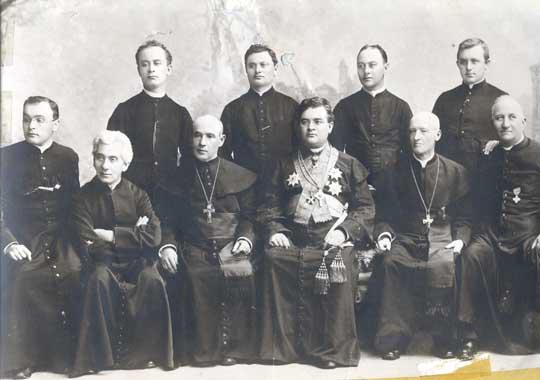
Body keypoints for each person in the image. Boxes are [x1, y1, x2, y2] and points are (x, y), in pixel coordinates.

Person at [259, 97, 375, 368]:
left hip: (331, 240)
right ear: (298, 126)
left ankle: (332, 351)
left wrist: (345, 233)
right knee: (273, 259)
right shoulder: (283, 164)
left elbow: (365, 209)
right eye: (305, 122)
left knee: (340, 264)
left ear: (330, 126)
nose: (311, 127)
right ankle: (284, 348)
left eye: (318, 121)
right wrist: (276, 230)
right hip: (294, 240)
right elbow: (268, 206)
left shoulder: (349, 164)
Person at [368, 112, 473, 360]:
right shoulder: (393, 173)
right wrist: (384, 235)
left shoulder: (456, 172)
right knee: (391, 263)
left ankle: (444, 339)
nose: (416, 137)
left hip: (443, 237)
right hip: (406, 237)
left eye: (423, 131)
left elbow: (465, 217)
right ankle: (393, 339)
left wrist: (460, 238)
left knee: (448, 263)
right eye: (412, 131)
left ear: (437, 135)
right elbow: (384, 216)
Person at [155, 115, 257, 366]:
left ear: (221, 140)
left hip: (231, 244)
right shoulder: (176, 177)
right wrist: (167, 246)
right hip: (193, 245)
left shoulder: (241, 176)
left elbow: (250, 217)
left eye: (210, 136)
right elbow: (166, 221)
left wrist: (245, 238)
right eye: (197, 135)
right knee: (194, 274)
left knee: (241, 272)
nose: (202, 142)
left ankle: (235, 349)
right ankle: (201, 352)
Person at [70, 131, 173, 377]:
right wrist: (132, 235)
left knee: (152, 278)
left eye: (113, 159)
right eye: (100, 158)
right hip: (100, 262)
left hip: (137, 262)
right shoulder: (82, 197)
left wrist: (111, 234)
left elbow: (154, 237)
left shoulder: (139, 195)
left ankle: (146, 354)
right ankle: (102, 358)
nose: (105, 166)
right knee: (99, 280)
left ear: (125, 163)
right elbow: (87, 241)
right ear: (93, 159)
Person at [0, 96, 81, 378]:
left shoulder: (68, 157)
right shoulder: (6, 157)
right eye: (26, 118)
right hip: (23, 239)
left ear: (55, 125)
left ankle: (63, 358)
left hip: (61, 239)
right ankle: (22, 360)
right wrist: (8, 243)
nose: (30, 125)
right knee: (24, 277)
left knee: (74, 271)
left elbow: (75, 207)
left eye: (39, 119)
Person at [456, 95, 540, 360]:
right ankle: (468, 336)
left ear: (523, 121)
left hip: (528, 235)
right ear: (492, 122)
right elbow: (476, 198)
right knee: (472, 256)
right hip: (493, 234)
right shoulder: (487, 154)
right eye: (499, 118)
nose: (505, 123)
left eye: (511, 117)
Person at [107, 40, 193, 199]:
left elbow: (189, 158)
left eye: (157, 63)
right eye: (145, 64)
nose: (151, 69)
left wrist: (179, 186)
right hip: (131, 194)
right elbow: (110, 155)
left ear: (168, 69)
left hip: (171, 196)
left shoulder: (180, 113)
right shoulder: (124, 110)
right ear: (139, 70)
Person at [331, 44, 412, 188]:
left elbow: (410, 153)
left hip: (394, 189)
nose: (366, 71)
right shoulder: (345, 107)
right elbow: (333, 153)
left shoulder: (401, 107)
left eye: (372, 65)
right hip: (354, 185)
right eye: (361, 66)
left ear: (385, 67)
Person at [220, 44, 298, 191]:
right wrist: (238, 179)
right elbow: (222, 154)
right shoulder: (232, 109)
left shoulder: (291, 106)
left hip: (285, 186)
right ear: (246, 70)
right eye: (252, 66)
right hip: (244, 190)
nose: (258, 70)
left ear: (275, 69)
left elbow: (301, 149)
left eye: (263, 65)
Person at [432, 38, 506, 175]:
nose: (469, 67)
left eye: (474, 61)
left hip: (485, 180)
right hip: (448, 180)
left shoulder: (501, 99)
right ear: (457, 64)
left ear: (486, 64)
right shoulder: (444, 99)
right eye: (463, 62)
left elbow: (512, 144)